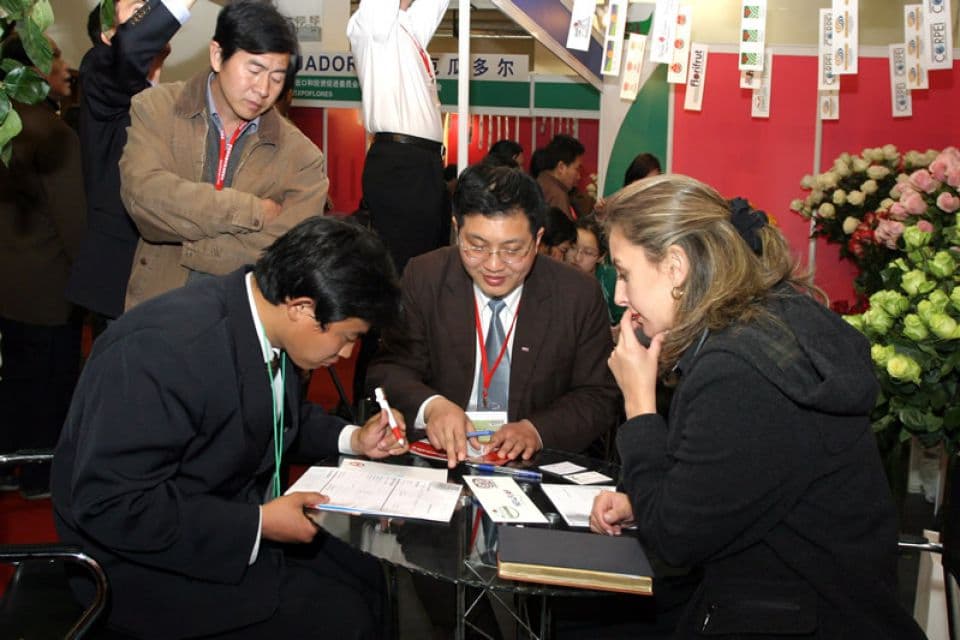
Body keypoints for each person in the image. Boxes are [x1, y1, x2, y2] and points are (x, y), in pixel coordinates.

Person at [589, 174, 925, 639]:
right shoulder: (769, 320)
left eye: (625, 274)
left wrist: (639, 404)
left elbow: (674, 542)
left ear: (675, 266)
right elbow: (734, 484)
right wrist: (646, 499)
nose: (620, 296)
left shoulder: (735, 371)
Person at [52, 216, 406, 639]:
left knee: (371, 575)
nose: (347, 354)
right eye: (348, 337)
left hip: (224, 508)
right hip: (139, 563)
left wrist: (354, 438)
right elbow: (111, 504)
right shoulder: (164, 350)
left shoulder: (261, 321)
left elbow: (276, 415)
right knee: (345, 619)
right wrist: (257, 524)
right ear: (301, 307)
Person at [368, 163, 620, 469]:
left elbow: (599, 394)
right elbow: (390, 369)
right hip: (441, 460)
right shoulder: (425, 277)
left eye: (512, 250)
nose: (494, 265)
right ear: (456, 230)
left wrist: (537, 430)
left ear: (538, 239)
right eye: (476, 246)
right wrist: (432, 407)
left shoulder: (577, 295)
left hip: (532, 468)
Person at [119, 0, 328, 310]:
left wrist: (188, 242)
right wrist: (253, 211)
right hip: (157, 310)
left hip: (241, 319)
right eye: (254, 70)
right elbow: (145, 199)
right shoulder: (156, 108)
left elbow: (290, 254)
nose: (263, 89)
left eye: (277, 77)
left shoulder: (302, 158)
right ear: (217, 55)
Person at [66, 0, 194, 327]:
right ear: (109, 36)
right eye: (139, 9)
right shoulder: (97, 68)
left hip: (165, 279)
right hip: (121, 280)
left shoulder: (172, 98)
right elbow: (131, 47)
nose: (149, 13)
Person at [0, 34, 85, 499]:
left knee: (14, 383)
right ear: (30, 72)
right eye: (54, 59)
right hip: (50, 291)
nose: (66, 67)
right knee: (49, 389)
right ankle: (38, 477)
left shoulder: (6, 124)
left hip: (9, 288)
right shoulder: (52, 135)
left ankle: (8, 467)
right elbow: (74, 225)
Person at [347, 0, 450, 274]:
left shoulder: (408, 28)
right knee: (405, 264)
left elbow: (435, 5)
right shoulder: (371, 23)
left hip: (424, 164)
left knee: (429, 260)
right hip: (400, 163)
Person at [536, 133, 584, 219]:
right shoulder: (557, 196)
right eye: (577, 169)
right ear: (561, 167)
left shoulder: (542, 179)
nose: (578, 177)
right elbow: (566, 228)